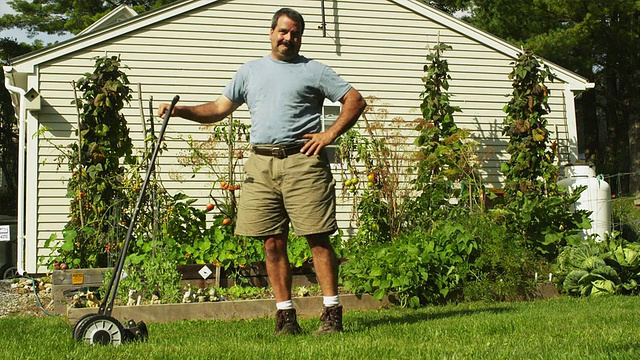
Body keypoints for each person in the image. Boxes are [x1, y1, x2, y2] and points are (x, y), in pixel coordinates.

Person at [158, 7, 366, 335]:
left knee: (317, 237)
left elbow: (354, 100)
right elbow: (218, 109)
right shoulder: (250, 72)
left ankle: (331, 313)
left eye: (295, 33)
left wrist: (329, 134)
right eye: (283, 31)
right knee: (271, 242)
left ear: (300, 36)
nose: (289, 38)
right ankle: (286, 316)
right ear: (271, 33)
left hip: (304, 162)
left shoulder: (314, 70)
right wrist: (182, 111)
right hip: (261, 163)